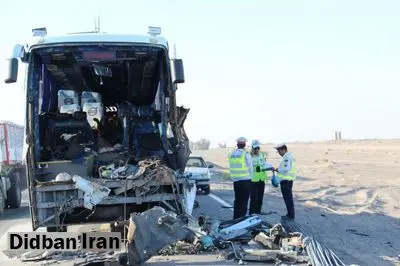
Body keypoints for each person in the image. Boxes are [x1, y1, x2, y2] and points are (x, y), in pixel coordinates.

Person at [228, 137, 253, 219]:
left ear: (237, 144)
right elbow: (250, 168)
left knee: (237, 201)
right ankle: (241, 220)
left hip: (236, 181)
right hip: (245, 180)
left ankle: (235, 218)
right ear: (245, 145)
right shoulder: (246, 154)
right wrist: (251, 178)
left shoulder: (232, 154)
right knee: (244, 202)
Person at [273, 143, 297, 219]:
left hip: (286, 181)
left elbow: (286, 169)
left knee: (288, 199)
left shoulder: (287, 158)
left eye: (279, 151)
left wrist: (277, 169)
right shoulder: (289, 156)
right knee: (288, 199)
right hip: (288, 181)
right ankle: (290, 214)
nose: (279, 153)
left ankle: (290, 215)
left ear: (283, 149)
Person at [249, 140, 272, 215]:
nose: (256, 150)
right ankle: (251, 213)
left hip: (261, 179)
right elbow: (248, 167)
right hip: (253, 179)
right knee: (254, 198)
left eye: (258, 148)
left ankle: (258, 211)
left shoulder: (262, 155)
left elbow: (264, 164)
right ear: (252, 148)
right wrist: (258, 169)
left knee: (260, 197)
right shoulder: (249, 156)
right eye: (255, 148)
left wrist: (270, 167)